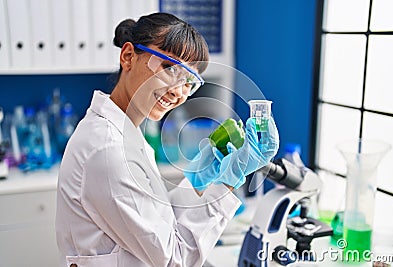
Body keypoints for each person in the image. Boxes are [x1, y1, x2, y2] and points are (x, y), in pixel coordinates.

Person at [55, 12, 279, 267]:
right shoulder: (108, 150)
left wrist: (197, 179)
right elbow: (175, 258)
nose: (177, 91)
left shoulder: (127, 133)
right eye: (170, 68)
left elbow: (156, 221)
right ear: (128, 56)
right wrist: (227, 183)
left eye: (189, 82)